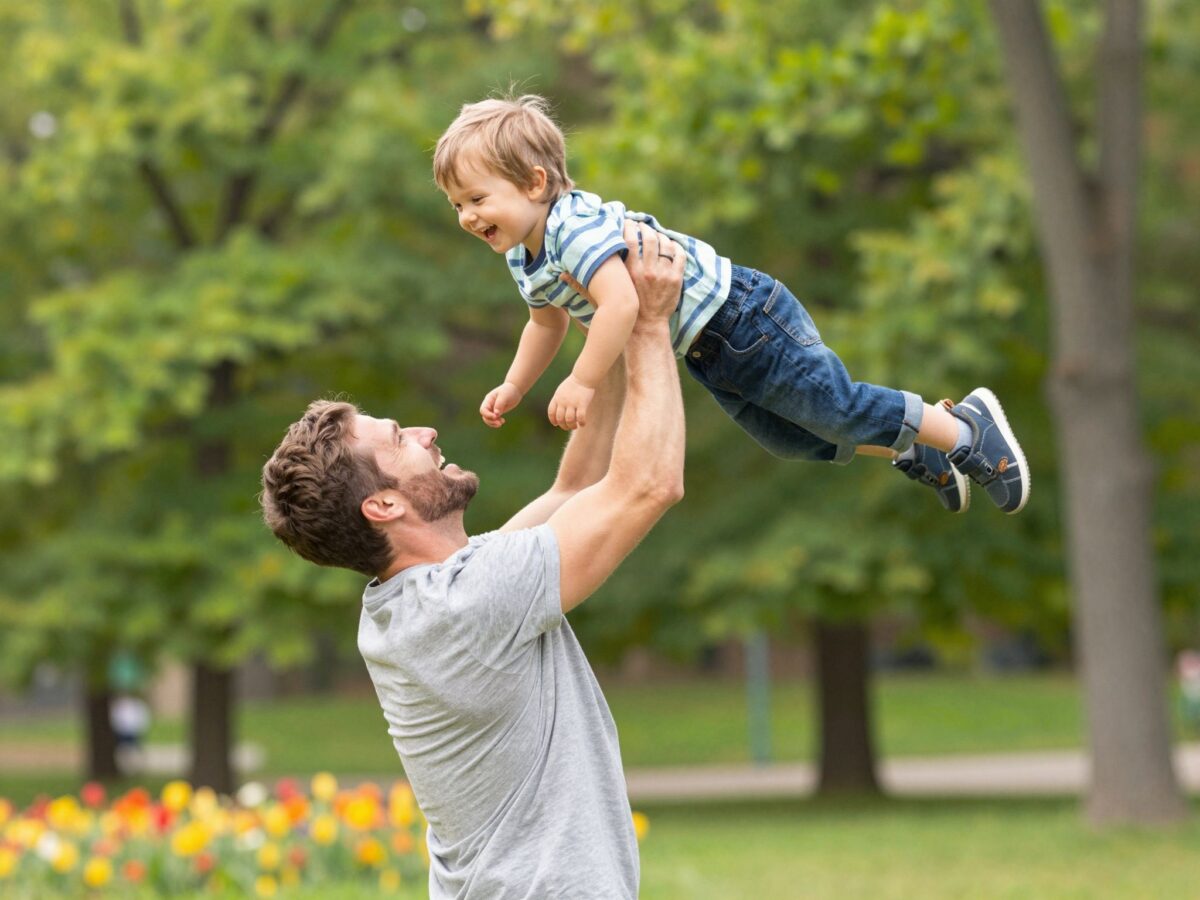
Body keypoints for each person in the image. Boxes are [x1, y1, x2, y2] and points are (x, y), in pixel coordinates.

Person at [260, 222, 686, 899]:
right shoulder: (471, 602)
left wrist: (597, 332)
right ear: (384, 507)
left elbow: (574, 489)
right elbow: (647, 485)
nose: (427, 433)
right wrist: (650, 327)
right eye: (400, 439)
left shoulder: (418, 601)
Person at [433, 94, 1030, 515]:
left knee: (834, 406)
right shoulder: (523, 254)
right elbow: (546, 321)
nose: (467, 217)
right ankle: (919, 442)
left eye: (478, 198)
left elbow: (617, 307)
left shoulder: (572, 226)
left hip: (742, 316)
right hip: (706, 349)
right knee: (793, 438)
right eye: (457, 205)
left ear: (535, 184)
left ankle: (965, 429)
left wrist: (583, 382)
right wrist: (515, 386)